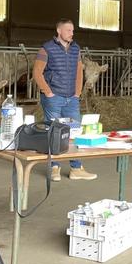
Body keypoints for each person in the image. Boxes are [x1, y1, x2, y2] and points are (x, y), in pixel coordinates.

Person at [32, 19, 97, 181]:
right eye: (69, 30)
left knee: (74, 131)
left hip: (71, 98)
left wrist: (77, 92)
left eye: (73, 31)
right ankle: (54, 167)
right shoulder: (46, 49)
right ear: (59, 31)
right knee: (54, 132)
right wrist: (48, 92)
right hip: (54, 96)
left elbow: (79, 72)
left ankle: (76, 167)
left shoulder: (76, 49)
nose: (72, 33)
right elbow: (37, 73)